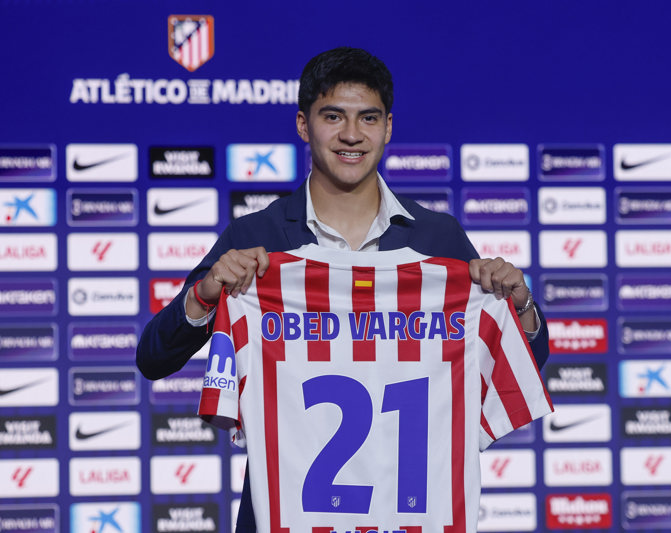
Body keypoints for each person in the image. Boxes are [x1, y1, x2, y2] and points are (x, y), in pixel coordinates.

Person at [137, 46, 549, 533]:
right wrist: (205, 296)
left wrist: (520, 307)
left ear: (388, 127)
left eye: (368, 118)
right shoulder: (255, 237)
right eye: (333, 116)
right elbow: (153, 357)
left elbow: (525, 359)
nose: (351, 135)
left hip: (411, 517)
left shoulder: (438, 238)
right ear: (302, 124)